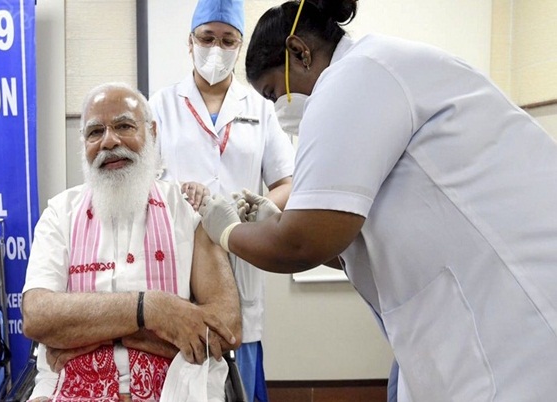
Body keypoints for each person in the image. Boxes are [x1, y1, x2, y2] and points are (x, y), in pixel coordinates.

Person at [198, 0, 557, 401]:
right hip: (467, 321)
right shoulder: (379, 69)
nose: (279, 110)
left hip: (515, 333)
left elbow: (302, 244)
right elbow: (352, 240)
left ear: (299, 52)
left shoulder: (356, 77)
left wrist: (228, 231)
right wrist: (272, 220)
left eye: (273, 93)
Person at [21, 82, 242, 402]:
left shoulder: (188, 210)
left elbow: (225, 326)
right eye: (95, 132)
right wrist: (152, 310)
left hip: (174, 387)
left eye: (124, 126)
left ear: (151, 132)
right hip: (72, 386)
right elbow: (38, 316)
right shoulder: (60, 214)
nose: (109, 141)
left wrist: (87, 334)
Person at [148, 1, 296, 400]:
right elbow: (143, 185)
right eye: (207, 38)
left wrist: (250, 204)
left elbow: (287, 181)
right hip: (179, 257)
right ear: (190, 41)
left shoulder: (260, 108)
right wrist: (178, 196)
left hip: (241, 253)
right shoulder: (161, 105)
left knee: (241, 372)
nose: (216, 48)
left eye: (227, 40)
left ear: (240, 45)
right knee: (182, 370)